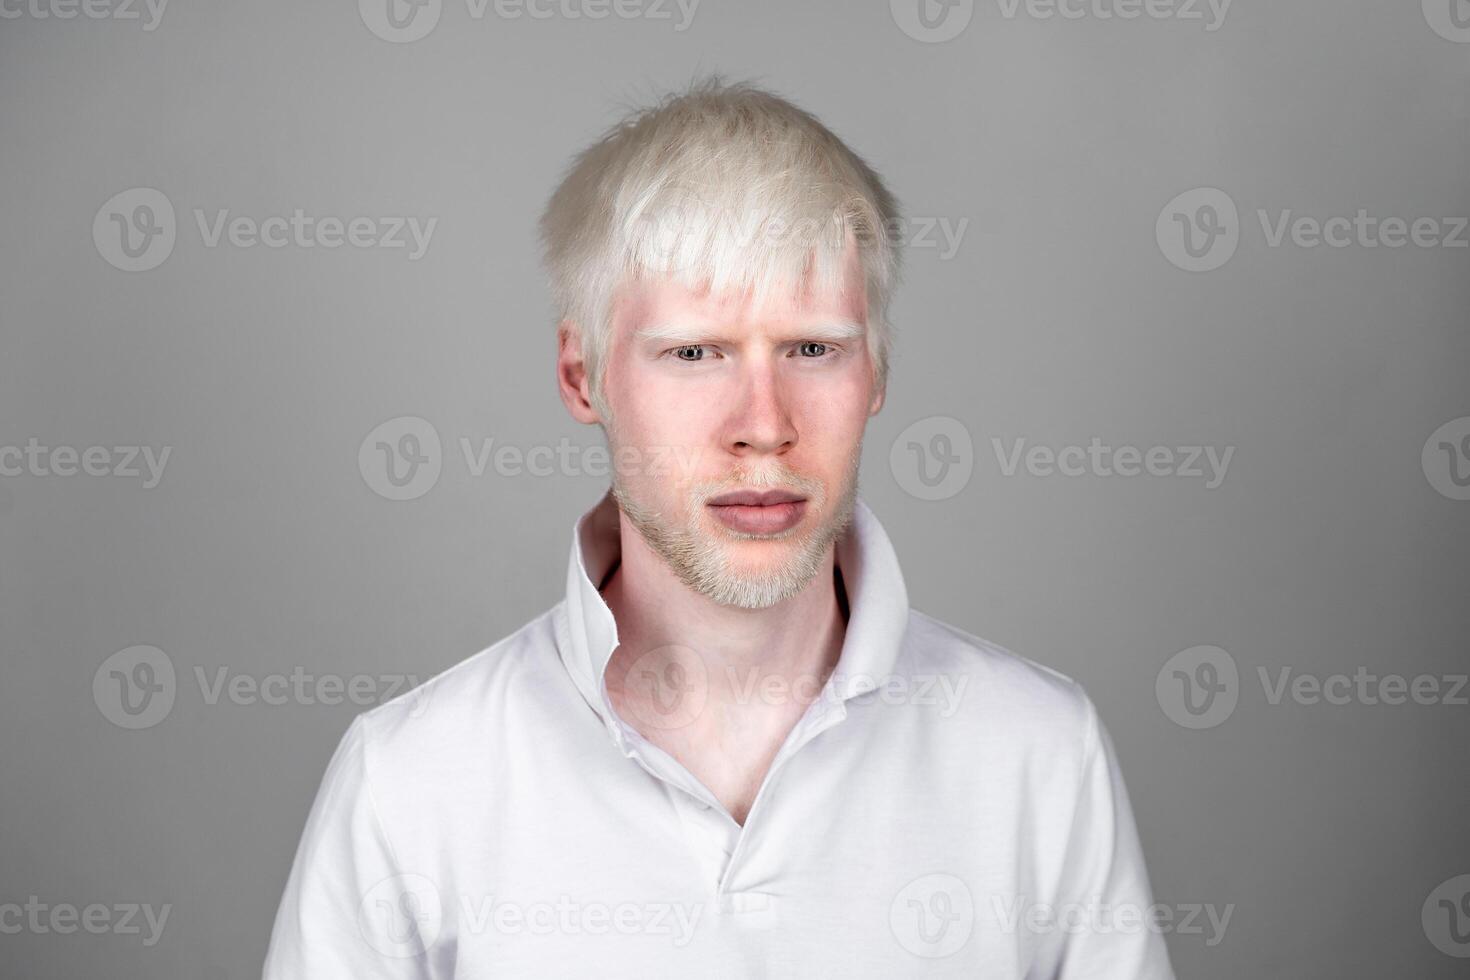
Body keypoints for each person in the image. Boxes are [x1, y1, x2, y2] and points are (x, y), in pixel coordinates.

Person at [262, 76, 1176, 978]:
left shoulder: (1039, 753)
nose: (764, 423)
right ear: (583, 378)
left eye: (813, 349)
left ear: (879, 374)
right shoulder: (410, 780)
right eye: (695, 353)